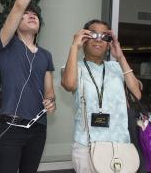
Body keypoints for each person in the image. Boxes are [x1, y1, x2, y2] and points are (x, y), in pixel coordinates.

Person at [0, 0, 58, 173]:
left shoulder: (46, 55)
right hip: (11, 126)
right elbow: (20, 4)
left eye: (36, 16)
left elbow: (49, 92)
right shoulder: (6, 44)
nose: (31, 16)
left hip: (38, 128)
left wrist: (51, 102)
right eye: (26, 15)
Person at [61, 19, 142, 172]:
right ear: (84, 40)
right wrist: (74, 47)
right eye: (93, 34)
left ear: (108, 43)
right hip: (87, 146)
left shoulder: (117, 67)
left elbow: (136, 93)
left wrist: (120, 56)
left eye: (105, 36)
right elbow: (69, 84)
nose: (99, 39)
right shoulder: (74, 67)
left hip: (120, 145)